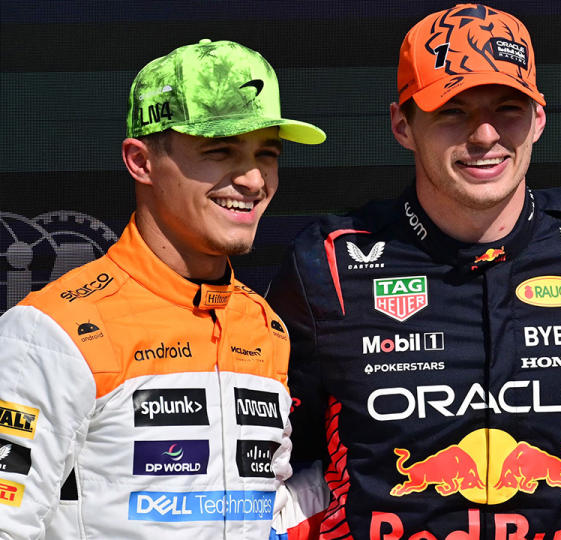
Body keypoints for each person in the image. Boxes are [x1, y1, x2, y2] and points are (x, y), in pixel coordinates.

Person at [266, 4, 561, 539]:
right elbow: (268, 455)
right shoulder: (328, 262)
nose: (484, 134)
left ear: (539, 119)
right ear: (402, 125)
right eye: (452, 111)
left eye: (508, 108)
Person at [0, 39, 325, 539]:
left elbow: (264, 513)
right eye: (220, 151)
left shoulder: (265, 328)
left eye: (268, 153)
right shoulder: (49, 332)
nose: (255, 179)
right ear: (140, 161)